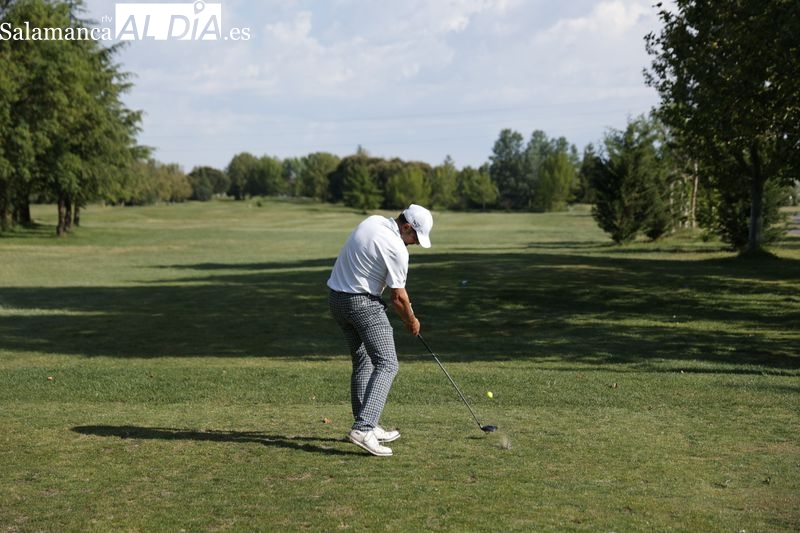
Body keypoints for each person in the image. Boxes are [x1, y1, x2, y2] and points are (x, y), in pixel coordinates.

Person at [327, 204, 433, 457]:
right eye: (415, 237)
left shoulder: (372, 221)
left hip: (336, 300)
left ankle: (367, 423)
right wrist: (411, 321)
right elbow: (398, 297)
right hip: (362, 304)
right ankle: (363, 429)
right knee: (387, 364)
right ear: (406, 227)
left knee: (363, 362)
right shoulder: (397, 247)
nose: (416, 243)